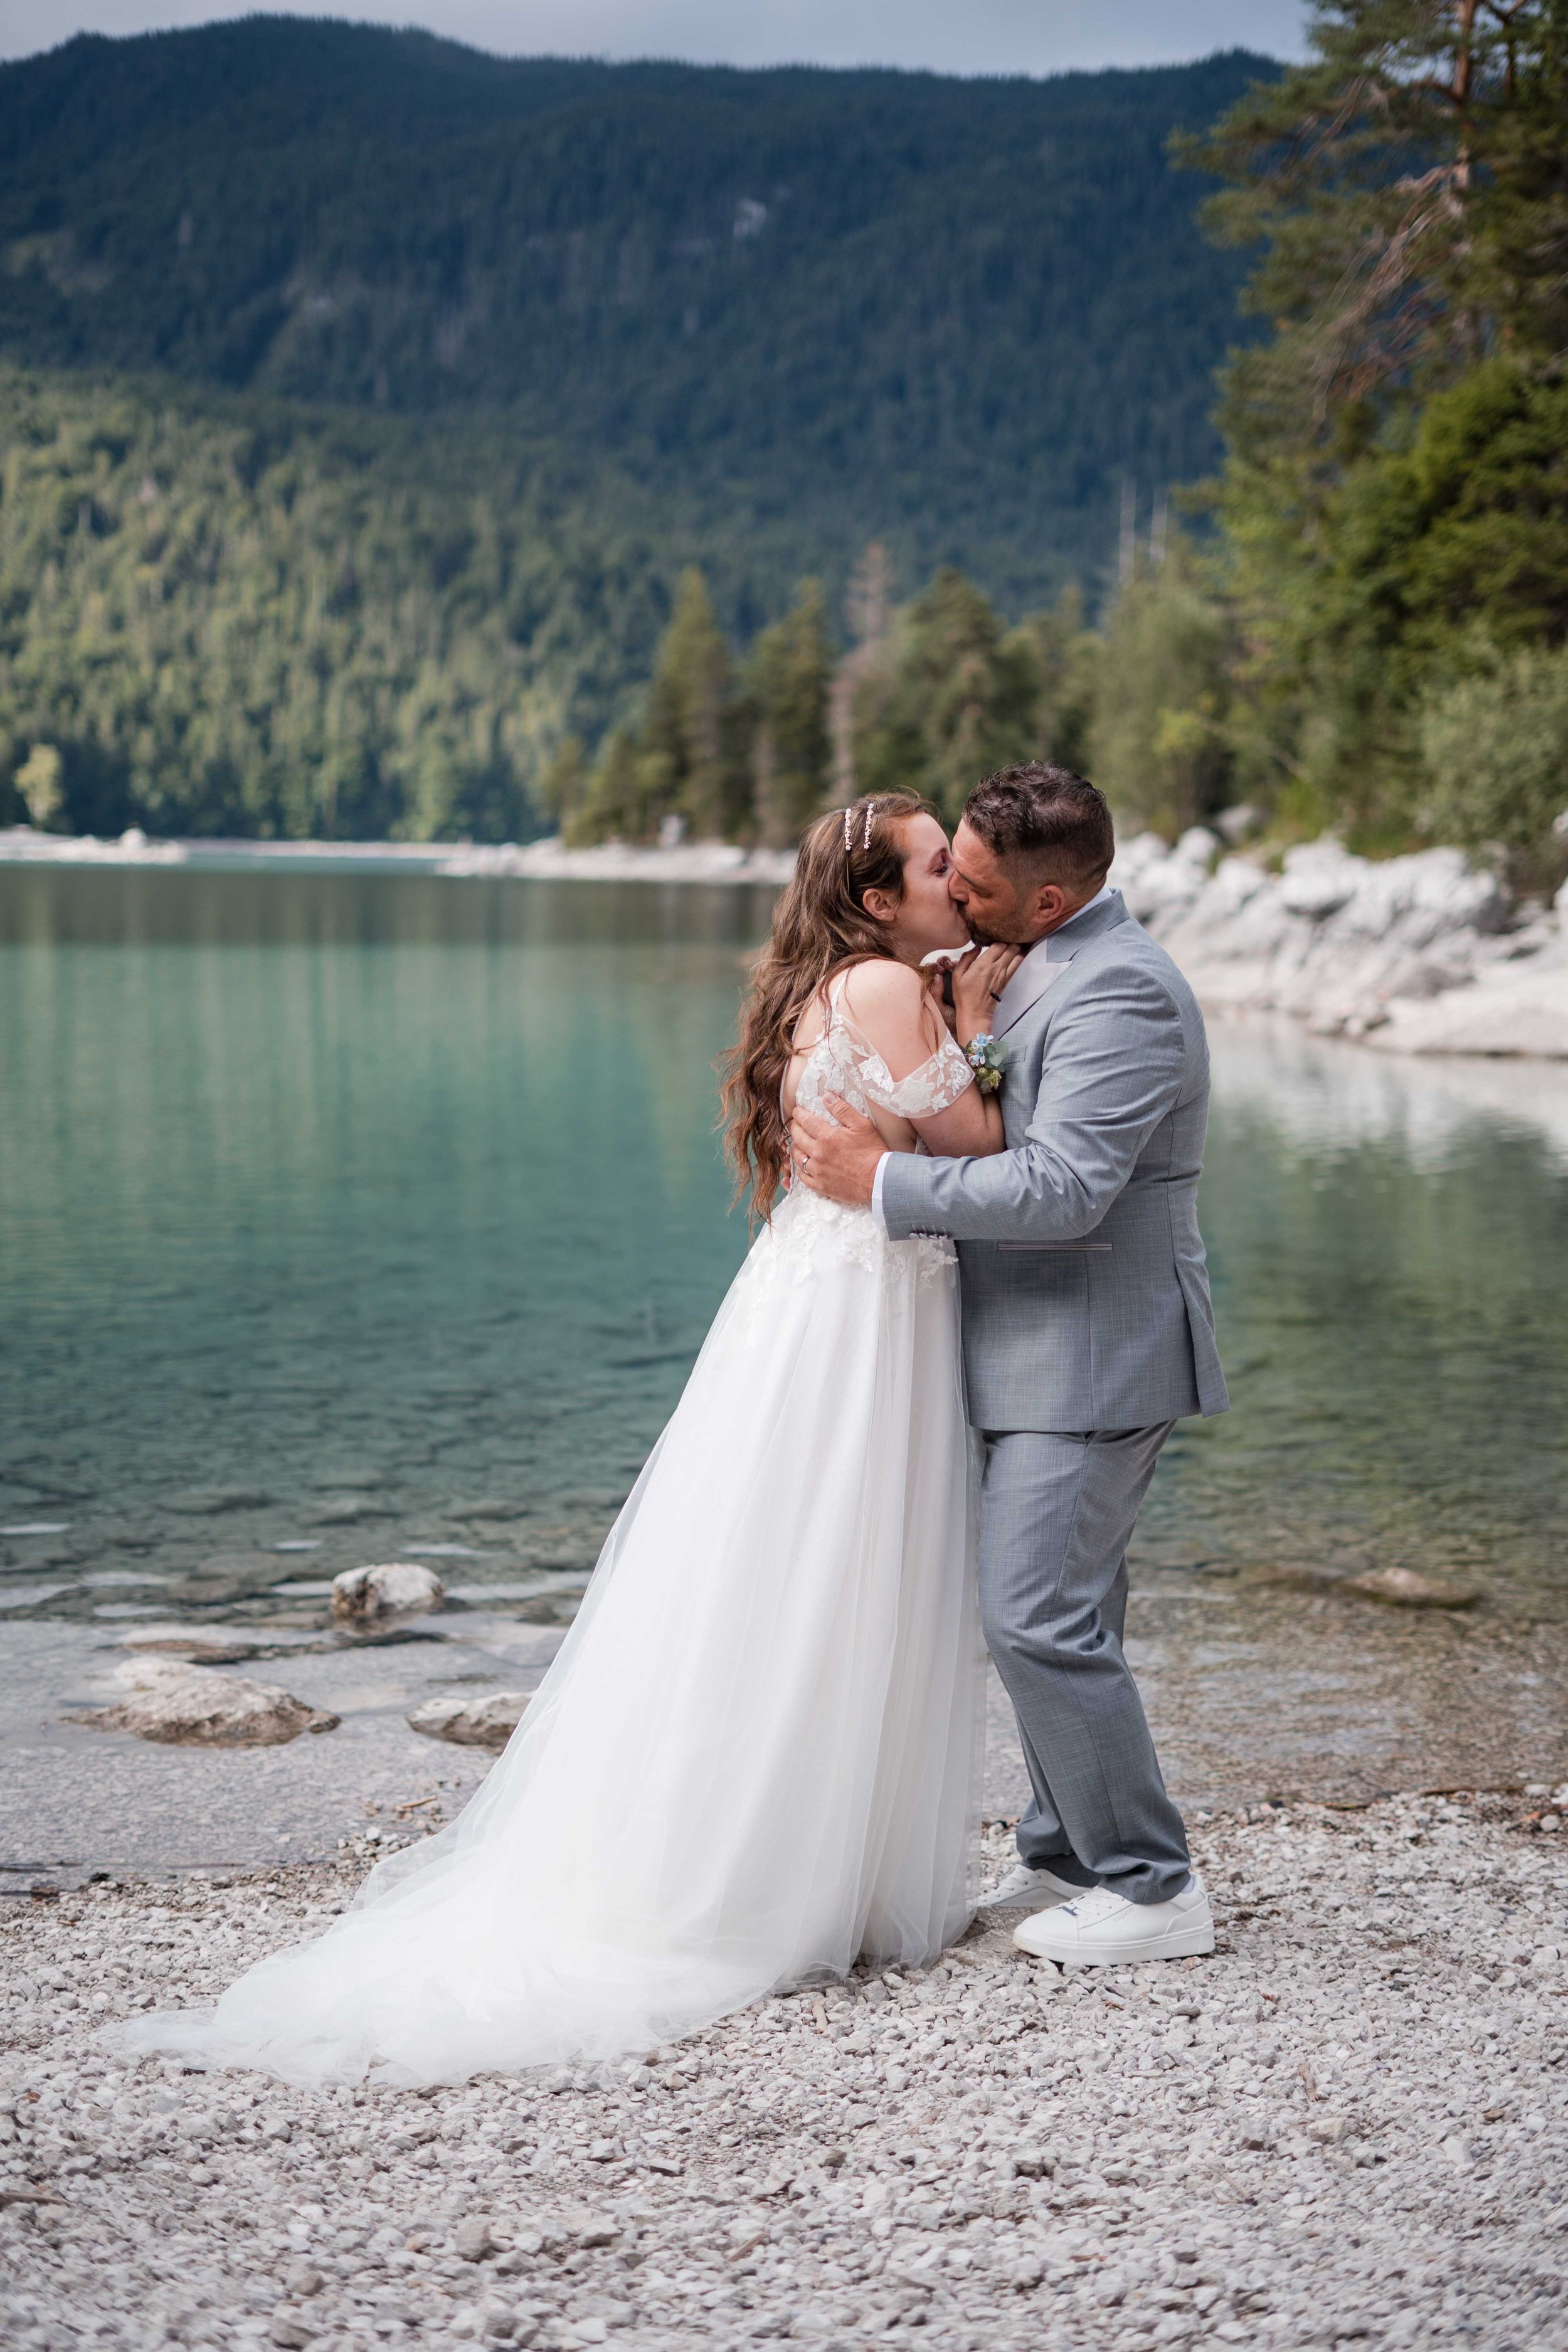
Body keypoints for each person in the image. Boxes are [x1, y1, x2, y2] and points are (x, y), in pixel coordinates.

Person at [112, 793, 1017, 2088]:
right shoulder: (892, 990)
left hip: (815, 1299)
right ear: (877, 899)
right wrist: (976, 1026)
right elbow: (977, 1147)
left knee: (782, 1569)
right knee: (844, 1564)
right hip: (868, 1311)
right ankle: (806, 1873)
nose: (959, 884)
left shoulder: (831, 985)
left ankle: (763, 1849)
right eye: (937, 867)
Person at [791, 762, 1227, 1968]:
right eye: (951, 873)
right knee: (1069, 1608)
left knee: (1033, 1612)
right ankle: (1066, 1851)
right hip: (1020, 1346)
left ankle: (1155, 1884)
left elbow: (1063, 1188)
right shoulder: (1018, 962)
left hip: (1096, 1351)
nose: (958, 904)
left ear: (1047, 904)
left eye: (977, 888)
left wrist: (876, 1182)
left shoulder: (1124, 993)